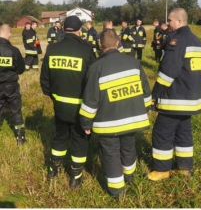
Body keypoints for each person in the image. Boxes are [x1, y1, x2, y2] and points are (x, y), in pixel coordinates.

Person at [80, 29, 151, 197]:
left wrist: (85, 122)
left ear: (100, 45)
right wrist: (145, 110)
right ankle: (130, 176)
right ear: (118, 42)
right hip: (133, 120)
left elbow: (90, 101)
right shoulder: (133, 62)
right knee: (128, 147)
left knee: (110, 154)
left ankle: (117, 191)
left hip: (108, 124)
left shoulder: (96, 68)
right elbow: (146, 92)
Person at [147, 8, 201, 181]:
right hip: (193, 100)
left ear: (179, 22)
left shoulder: (176, 40)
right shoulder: (196, 40)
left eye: (169, 20)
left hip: (175, 100)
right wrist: (191, 73)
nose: (167, 23)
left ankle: (162, 170)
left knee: (162, 133)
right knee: (184, 132)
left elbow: (167, 72)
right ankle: (184, 169)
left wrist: (154, 95)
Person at [40, 15, 96, 189]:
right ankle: (75, 176)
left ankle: (53, 169)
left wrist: (55, 97)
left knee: (60, 136)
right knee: (80, 140)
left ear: (63, 29)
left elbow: (45, 80)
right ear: (80, 31)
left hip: (60, 105)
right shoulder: (86, 50)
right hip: (81, 107)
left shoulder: (52, 48)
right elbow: (93, 81)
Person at [0, 24, 26, 145]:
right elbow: (21, 69)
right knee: (16, 111)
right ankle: (20, 138)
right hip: (11, 86)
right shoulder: (14, 50)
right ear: (9, 34)